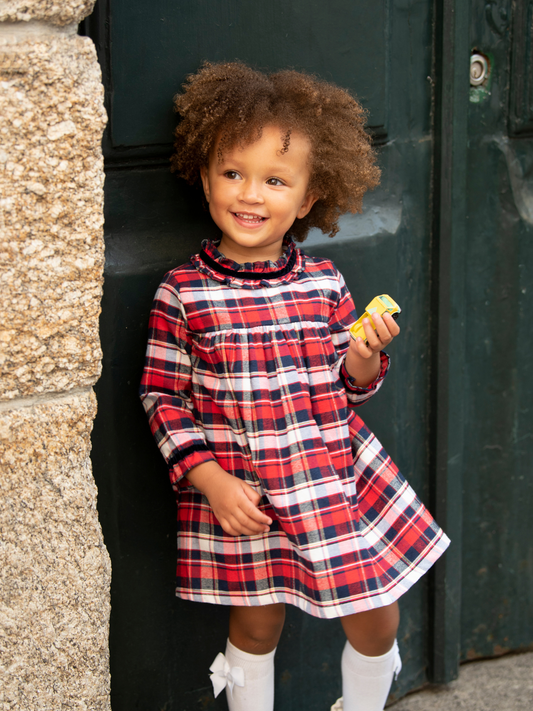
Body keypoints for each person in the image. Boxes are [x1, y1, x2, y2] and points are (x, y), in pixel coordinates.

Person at [140, 61, 450, 711]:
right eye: (232, 173)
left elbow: (348, 386)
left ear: (307, 197)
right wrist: (210, 480)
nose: (250, 195)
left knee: (375, 613)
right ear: (204, 176)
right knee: (256, 622)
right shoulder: (184, 292)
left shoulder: (324, 285)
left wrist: (363, 357)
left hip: (328, 474)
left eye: (274, 180)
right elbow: (162, 397)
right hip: (242, 483)